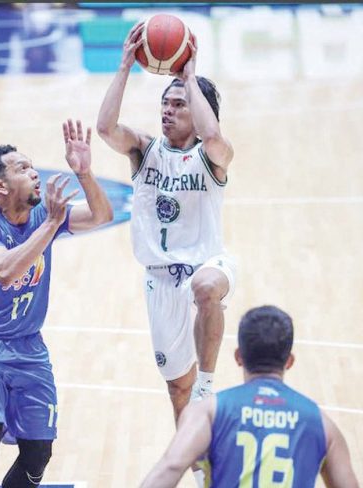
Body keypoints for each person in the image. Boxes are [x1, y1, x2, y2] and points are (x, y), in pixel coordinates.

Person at [97, 22, 237, 483]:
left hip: (207, 265)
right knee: (178, 391)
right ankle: (200, 472)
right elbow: (105, 128)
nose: (168, 111)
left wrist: (191, 78)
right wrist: (123, 67)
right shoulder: (144, 150)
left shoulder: (211, 155)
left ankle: (210, 379)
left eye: (179, 104)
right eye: (166, 103)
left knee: (206, 287)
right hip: (159, 281)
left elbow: (215, 138)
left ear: (197, 112)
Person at [0, 119, 113, 487]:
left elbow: (103, 215)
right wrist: (51, 225)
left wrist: (84, 174)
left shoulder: (43, 217)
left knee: (38, 452)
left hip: (29, 347)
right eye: (23, 168)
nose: (35, 173)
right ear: (0, 185)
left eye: (33, 165)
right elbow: (5, 271)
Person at [140, 305, 359, 488]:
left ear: (238, 357)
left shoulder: (207, 412)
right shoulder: (322, 425)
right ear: (289, 361)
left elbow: (170, 468)